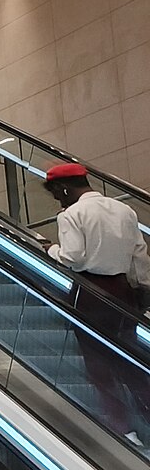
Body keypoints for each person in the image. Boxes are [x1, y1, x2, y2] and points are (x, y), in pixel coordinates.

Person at [43, 162, 150, 446]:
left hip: (90, 292)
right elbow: (140, 257)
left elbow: (74, 257)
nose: (58, 199)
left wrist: (51, 249)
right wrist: (141, 290)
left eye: (57, 193)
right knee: (129, 357)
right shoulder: (124, 211)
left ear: (63, 188)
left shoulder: (71, 215)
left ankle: (123, 429)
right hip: (124, 293)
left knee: (98, 363)